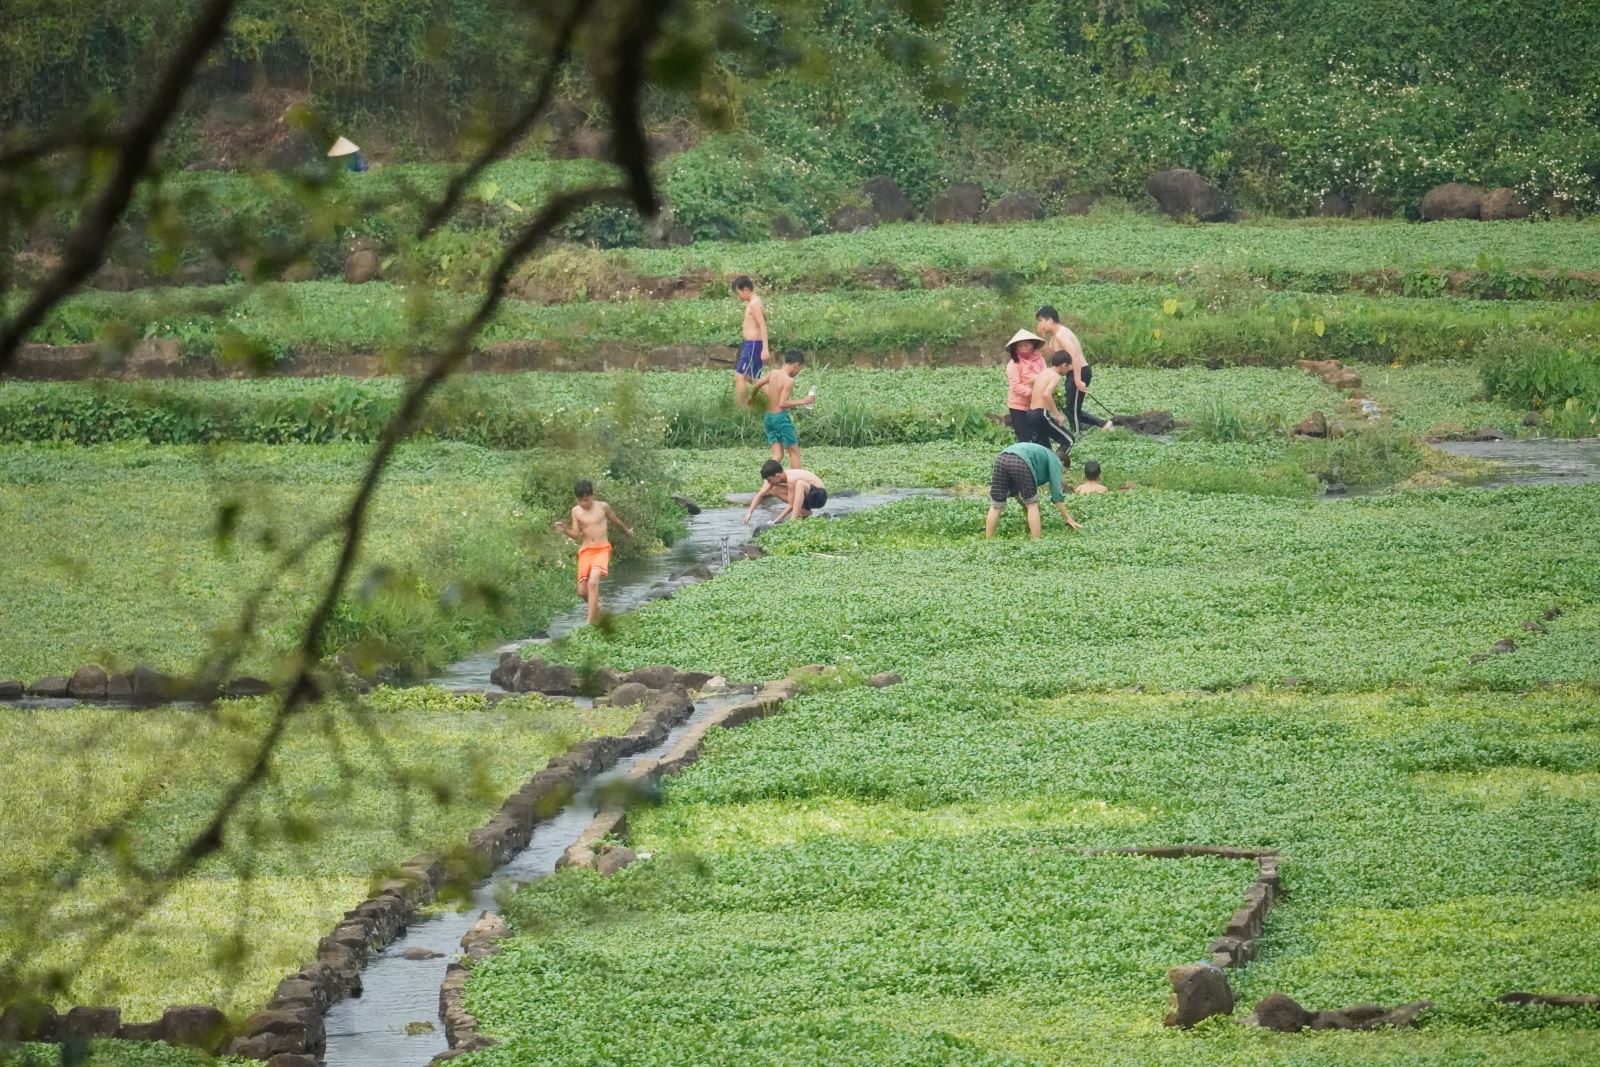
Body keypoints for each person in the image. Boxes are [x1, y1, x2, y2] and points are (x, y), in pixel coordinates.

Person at [553, 479, 633, 626]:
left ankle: (589, 622)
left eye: (586, 499)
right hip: (586, 551)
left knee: (593, 582)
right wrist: (565, 530)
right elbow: (576, 534)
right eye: (580, 500)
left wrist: (627, 532)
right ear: (576, 498)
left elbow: (616, 521)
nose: (584, 503)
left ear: (592, 495)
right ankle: (597, 606)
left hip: (602, 549)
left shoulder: (603, 507)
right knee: (582, 591)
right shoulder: (576, 511)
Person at [1036, 305, 1111, 434]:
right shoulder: (1055, 336)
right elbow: (1053, 358)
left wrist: (1077, 380)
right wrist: (1042, 336)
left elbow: (1074, 355)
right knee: (1070, 407)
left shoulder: (1061, 334)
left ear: (1049, 320)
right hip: (1073, 373)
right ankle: (1102, 425)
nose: (1039, 324)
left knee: (1072, 408)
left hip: (1080, 371)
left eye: (1040, 321)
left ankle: (1076, 433)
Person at [985, 442, 1082, 539]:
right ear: (1062, 463)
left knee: (996, 505)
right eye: (1062, 472)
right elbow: (1057, 496)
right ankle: (1036, 542)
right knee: (1032, 505)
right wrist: (1068, 518)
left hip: (1002, 458)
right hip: (1020, 460)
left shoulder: (1043, 455)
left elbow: (1017, 491)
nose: (1060, 475)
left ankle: (988, 540)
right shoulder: (1055, 460)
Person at [749, 349, 817, 467]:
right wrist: (803, 401)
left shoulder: (773, 373)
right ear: (796, 365)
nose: (798, 372)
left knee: (778, 455)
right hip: (780, 418)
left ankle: (767, 477)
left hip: (769, 418)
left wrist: (751, 399)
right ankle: (796, 482)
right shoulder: (788, 381)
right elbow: (782, 403)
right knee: (794, 452)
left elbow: (757, 385)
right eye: (800, 369)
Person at [1021, 351, 1077, 462]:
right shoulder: (1056, 376)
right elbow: (1046, 394)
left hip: (1030, 413)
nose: (1067, 371)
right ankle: (1055, 465)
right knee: (1069, 440)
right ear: (1064, 365)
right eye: (1068, 368)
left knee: (1044, 448)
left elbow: (1031, 381)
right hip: (1040, 414)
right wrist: (1057, 414)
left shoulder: (1045, 371)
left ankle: (1044, 467)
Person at [743, 460, 827, 524]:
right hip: (808, 497)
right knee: (773, 488)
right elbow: (761, 494)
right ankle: (805, 511)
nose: (769, 483)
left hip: (819, 496)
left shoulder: (791, 479)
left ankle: (793, 521)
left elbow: (791, 505)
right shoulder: (777, 478)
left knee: (799, 484)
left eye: (769, 480)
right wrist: (749, 513)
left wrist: (776, 520)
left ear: (777, 476)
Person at [1004, 329, 1047, 442]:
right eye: (1020, 346)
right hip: (1018, 406)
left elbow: (1046, 376)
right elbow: (1016, 386)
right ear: (1015, 348)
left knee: (1040, 435)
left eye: (1026, 345)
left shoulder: (1040, 359)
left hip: (1037, 405)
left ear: (1032, 345)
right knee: (1024, 438)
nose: (1023, 348)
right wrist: (1032, 392)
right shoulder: (1013, 364)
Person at [732, 275, 768, 406]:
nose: (739, 296)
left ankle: (741, 409)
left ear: (745, 289)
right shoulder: (756, 302)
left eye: (739, 293)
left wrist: (765, 348)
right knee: (753, 378)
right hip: (752, 344)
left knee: (739, 376)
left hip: (753, 345)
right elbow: (764, 319)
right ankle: (780, 401)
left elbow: (763, 324)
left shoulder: (754, 304)